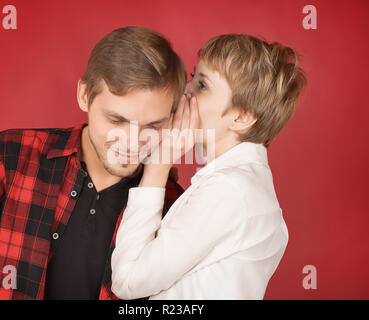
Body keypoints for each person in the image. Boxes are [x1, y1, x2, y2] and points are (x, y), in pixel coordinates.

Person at [0, 26, 185, 300]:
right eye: (116, 120)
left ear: (174, 119)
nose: (131, 142)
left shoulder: (175, 205)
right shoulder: (10, 157)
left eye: (153, 125)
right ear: (84, 95)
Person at [111, 34, 307, 299]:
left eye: (202, 85)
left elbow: (127, 281)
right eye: (193, 76)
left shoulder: (229, 191)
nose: (186, 90)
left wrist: (158, 165)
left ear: (242, 117)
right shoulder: (241, 185)